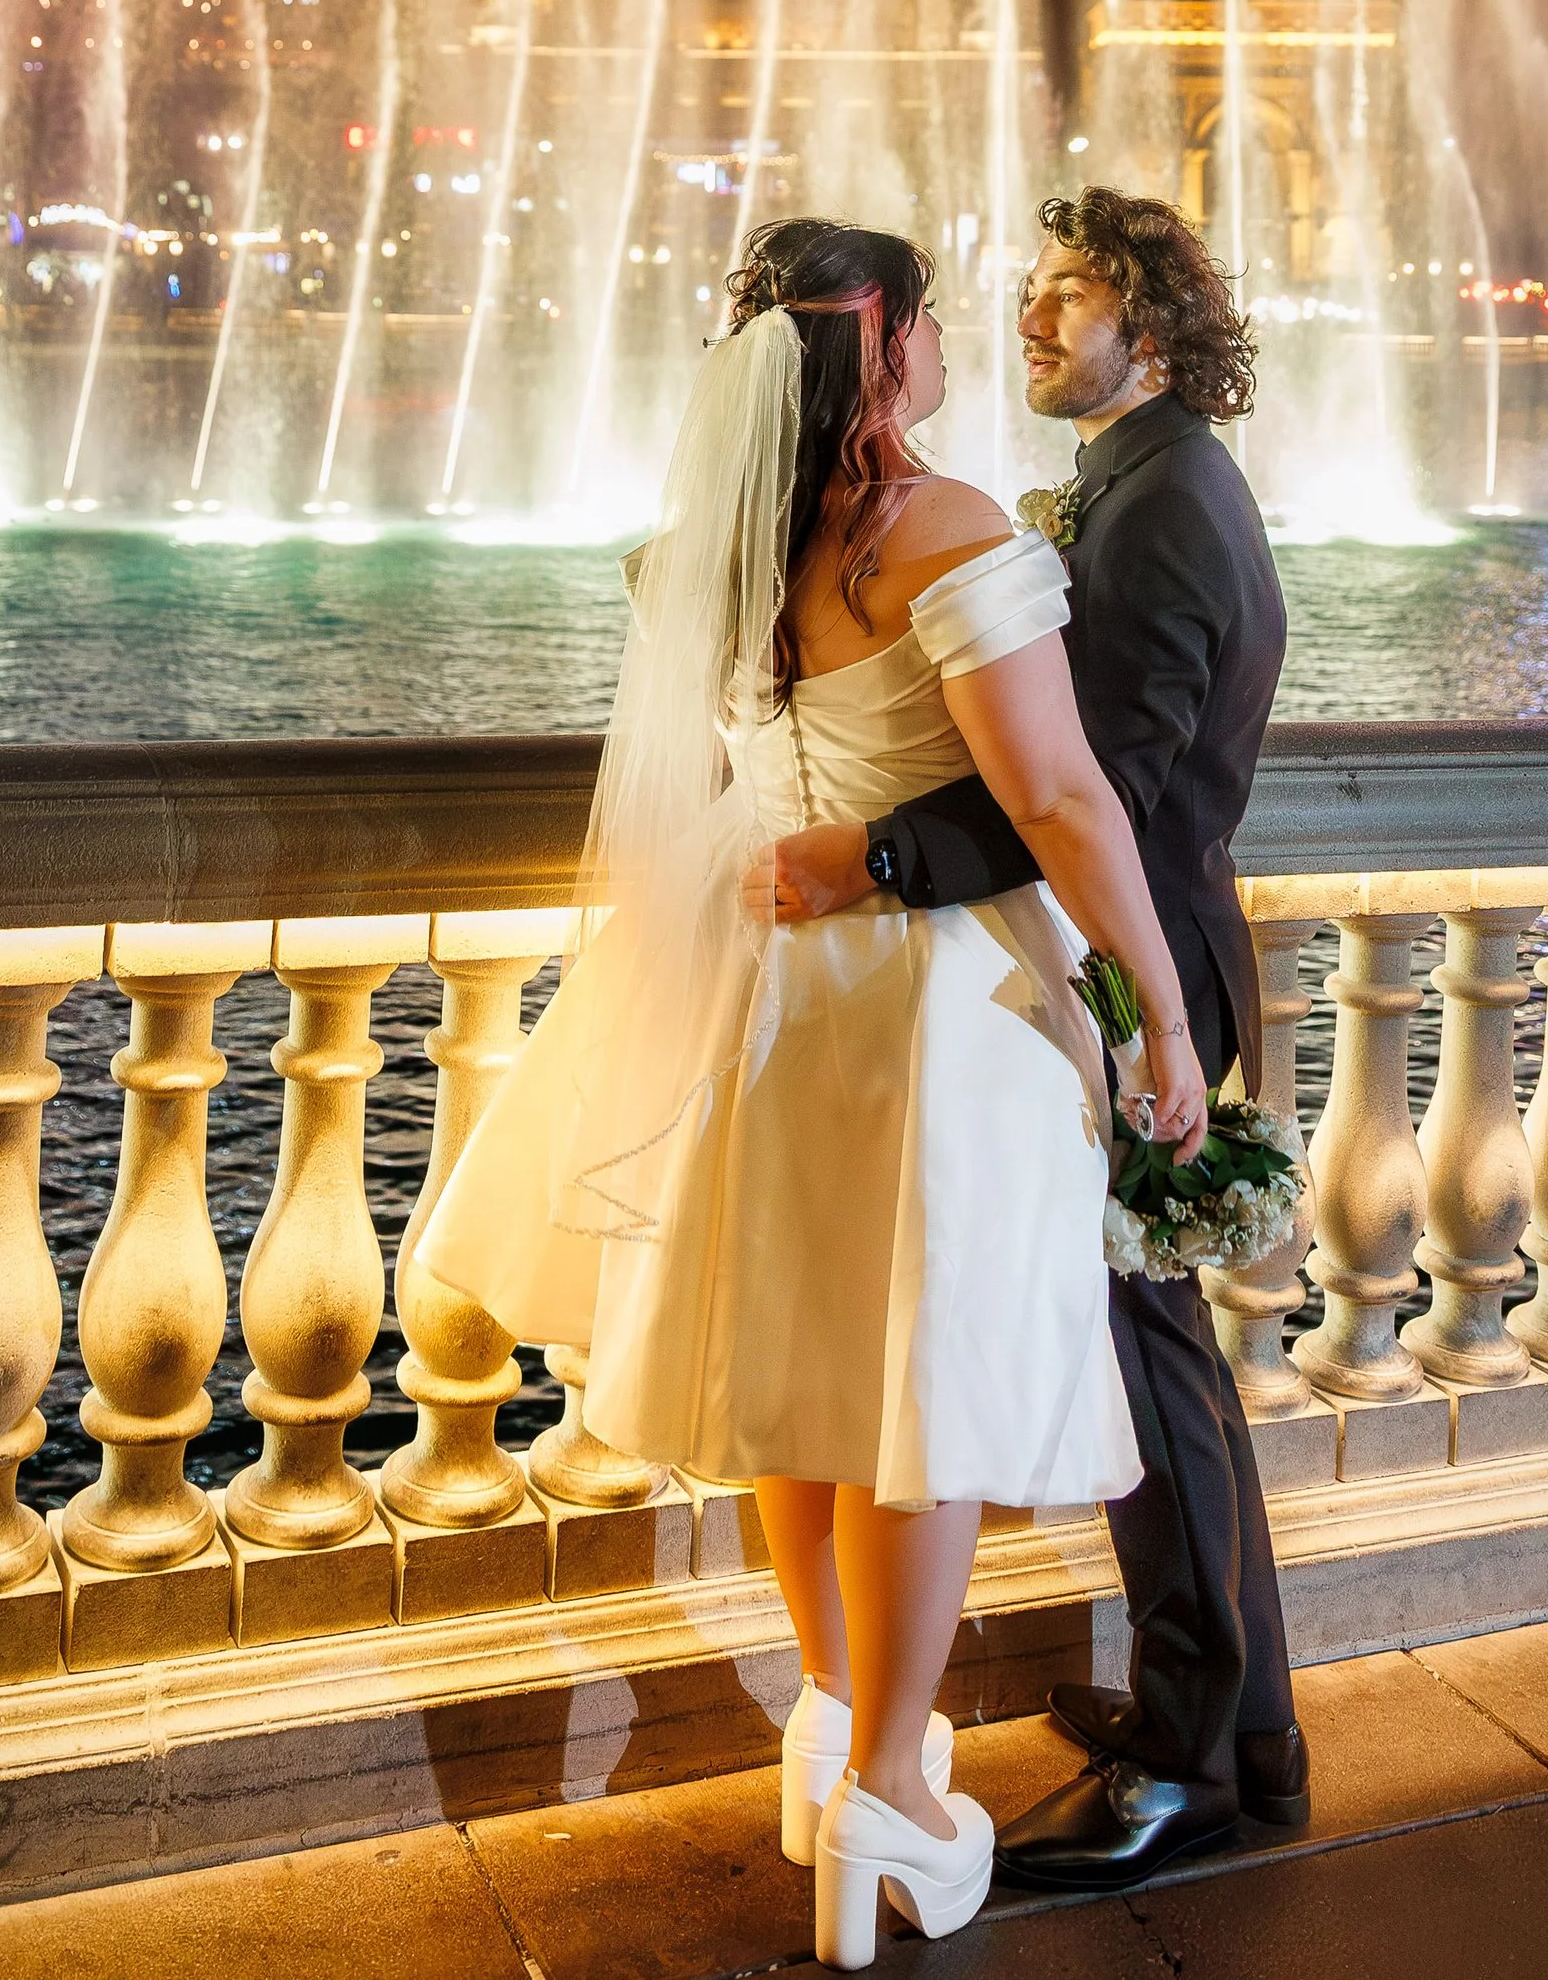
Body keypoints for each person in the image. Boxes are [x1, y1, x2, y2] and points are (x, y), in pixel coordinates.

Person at [419, 217, 1209, 1968]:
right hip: (941, 1013)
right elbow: (1070, 801)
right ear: (891, 345)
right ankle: (893, 1798)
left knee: (799, 1366)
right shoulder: (944, 530)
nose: (946, 344)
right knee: (917, 1387)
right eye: (928, 319)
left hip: (775, 998)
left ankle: (839, 1719)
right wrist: (1158, 1007)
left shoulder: (713, 548)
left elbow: (733, 773)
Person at [754, 187, 1303, 1889]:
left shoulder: (1157, 516)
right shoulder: (1143, 484)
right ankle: (1240, 1729)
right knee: (1151, 1351)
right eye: (1034, 291)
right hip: (1103, 959)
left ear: (1156, 324)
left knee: (1155, 1366)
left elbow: (1095, 796)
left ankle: (1198, 1758)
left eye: (1074, 296)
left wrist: (880, 850)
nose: (1035, 320)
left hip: (1143, 977)